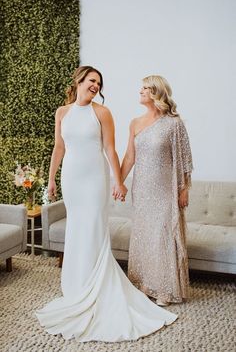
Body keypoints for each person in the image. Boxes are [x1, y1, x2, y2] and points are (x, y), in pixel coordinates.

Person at [35, 66, 177, 342]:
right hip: (72, 179)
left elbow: (110, 149)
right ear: (78, 81)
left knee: (93, 230)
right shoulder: (62, 113)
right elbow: (59, 147)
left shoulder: (102, 113)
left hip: (94, 180)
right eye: (91, 80)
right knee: (77, 230)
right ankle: (76, 288)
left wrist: (118, 181)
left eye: (99, 83)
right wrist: (51, 180)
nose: (96, 86)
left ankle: (97, 288)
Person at [121, 75, 193, 306]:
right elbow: (130, 157)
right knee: (145, 236)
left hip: (165, 190)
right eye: (140, 87)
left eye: (145, 88)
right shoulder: (134, 123)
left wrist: (184, 189)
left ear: (156, 92)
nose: (140, 91)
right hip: (142, 189)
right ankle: (146, 284)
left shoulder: (174, 123)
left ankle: (165, 289)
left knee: (162, 236)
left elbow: (183, 159)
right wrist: (118, 182)